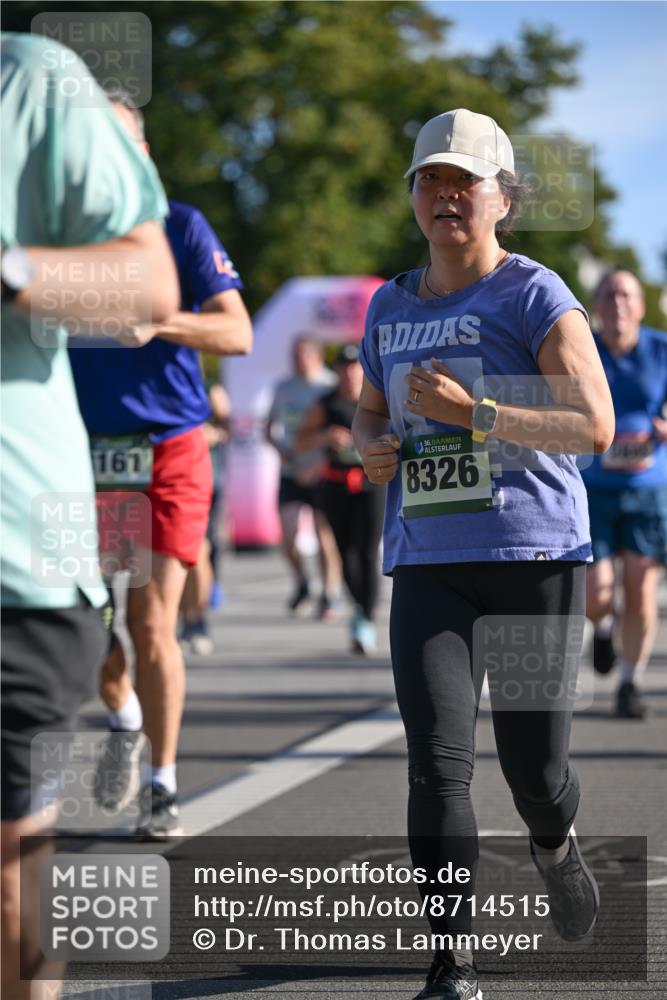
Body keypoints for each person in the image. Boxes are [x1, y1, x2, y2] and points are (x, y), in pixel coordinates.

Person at [351, 109, 615, 999]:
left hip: (535, 554)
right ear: (414, 199)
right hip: (428, 558)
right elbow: (368, 409)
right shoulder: (388, 305)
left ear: (504, 197)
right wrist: (368, 445)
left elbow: (593, 425)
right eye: (430, 179)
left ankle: (553, 842)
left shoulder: (535, 295)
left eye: (465, 180)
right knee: (437, 762)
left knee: (533, 772)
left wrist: (478, 414)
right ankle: (451, 960)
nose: (446, 194)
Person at [1, 33, 179, 1000]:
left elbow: (150, 289)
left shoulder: (28, 79)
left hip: (19, 551)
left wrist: (12, 267)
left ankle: (153, 762)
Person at [68, 88, 252, 838]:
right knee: (82, 628)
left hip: (167, 450)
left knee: (150, 622)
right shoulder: (59, 244)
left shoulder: (180, 227)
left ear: (140, 153)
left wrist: (159, 322)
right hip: (81, 458)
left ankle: (163, 782)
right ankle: (121, 722)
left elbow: (236, 334)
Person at [583, 268, 667, 719]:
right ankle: (602, 627)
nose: (618, 302)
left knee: (639, 590)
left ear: (641, 305)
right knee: (596, 593)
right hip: (591, 488)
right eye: (609, 294)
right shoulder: (582, 350)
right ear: (596, 305)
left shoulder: (661, 349)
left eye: (627, 295)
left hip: (648, 489)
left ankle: (630, 682)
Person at [296, 343, 385, 653]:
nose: (350, 373)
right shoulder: (326, 403)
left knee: (367, 553)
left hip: (372, 486)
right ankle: (358, 609)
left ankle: (366, 618)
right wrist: (325, 436)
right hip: (336, 486)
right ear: (336, 371)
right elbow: (300, 439)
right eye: (344, 368)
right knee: (345, 554)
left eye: (355, 367)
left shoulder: (377, 401)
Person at [266, 334, 342, 619]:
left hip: (323, 469)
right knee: (288, 534)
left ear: (316, 356)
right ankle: (302, 581)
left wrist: (323, 459)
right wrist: (279, 449)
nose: (298, 360)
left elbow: (341, 430)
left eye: (303, 354)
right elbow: (268, 427)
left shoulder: (328, 385)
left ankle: (330, 594)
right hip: (292, 468)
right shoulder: (283, 388)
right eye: (294, 355)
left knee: (325, 535)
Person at [180, 382, 232, 655]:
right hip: (166, 477)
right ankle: (182, 617)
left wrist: (214, 433)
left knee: (201, 549)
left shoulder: (211, 390)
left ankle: (197, 620)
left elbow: (228, 429)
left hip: (204, 479)